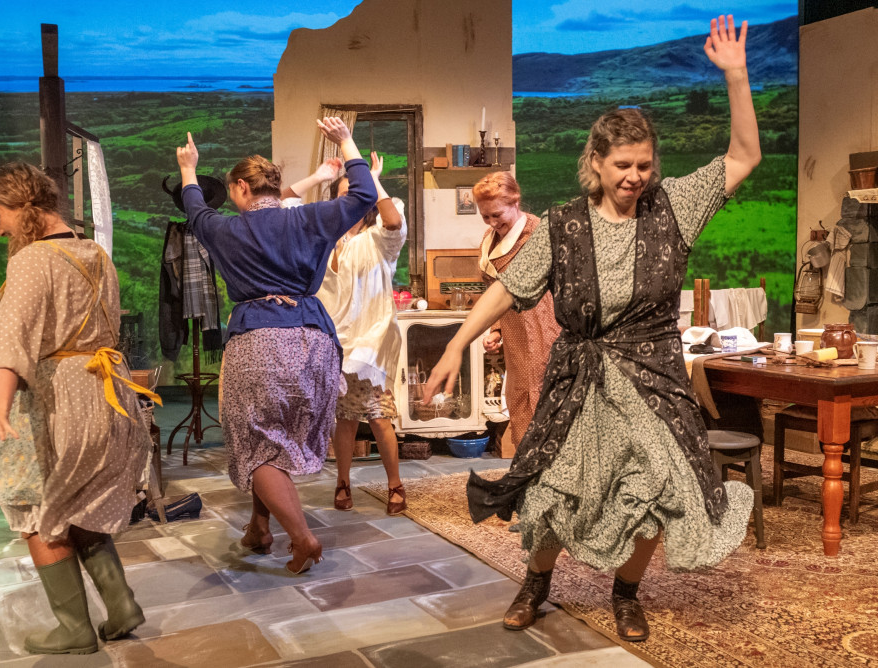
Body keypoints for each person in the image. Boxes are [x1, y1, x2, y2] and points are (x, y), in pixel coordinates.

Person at [423, 15, 761, 641]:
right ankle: (537, 581)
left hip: (653, 377)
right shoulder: (563, 226)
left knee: (656, 488)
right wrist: (455, 343)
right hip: (582, 378)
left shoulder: (673, 207)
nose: (635, 177)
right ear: (596, 162)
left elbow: (744, 156)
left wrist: (736, 76)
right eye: (623, 165)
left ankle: (626, 592)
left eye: (644, 165)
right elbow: (508, 288)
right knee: (556, 489)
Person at [175, 118, 377, 574]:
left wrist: (188, 169)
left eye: (233, 191)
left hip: (260, 343)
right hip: (315, 342)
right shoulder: (310, 218)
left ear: (242, 188)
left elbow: (195, 209)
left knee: (257, 445)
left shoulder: (227, 230)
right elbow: (365, 195)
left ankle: (303, 538)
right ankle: (259, 528)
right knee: (272, 438)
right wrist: (346, 142)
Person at [0, 162, 157, 655]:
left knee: (34, 506)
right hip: (105, 394)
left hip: (54, 400)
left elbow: (14, 341)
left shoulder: (33, 260)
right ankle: (120, 605)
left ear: (20, 206)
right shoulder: (94, 252)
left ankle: (74, 627)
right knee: (79, 503)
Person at [316, 151, 408, 515]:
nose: (352, 198)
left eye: (358, 192)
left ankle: (395, 484)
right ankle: (342, 482)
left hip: (371, 343)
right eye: (345, 193)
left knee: (379, 416)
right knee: (345, 417)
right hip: (336, 342)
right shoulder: (326, 238)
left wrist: (373, 180)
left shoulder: (378, 239)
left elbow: (394, 220)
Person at [474, 171, 561, 448]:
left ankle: (548, 464)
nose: (492, 222)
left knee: (545, 397)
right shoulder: (490, 239)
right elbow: (496, 292)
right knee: (520, 397)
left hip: (544, 327)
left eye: (497, 214)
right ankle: (527, 464)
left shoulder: (538, 234)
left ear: (515, 201)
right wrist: (496, 329)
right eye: (486, 216)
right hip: (515, 334)